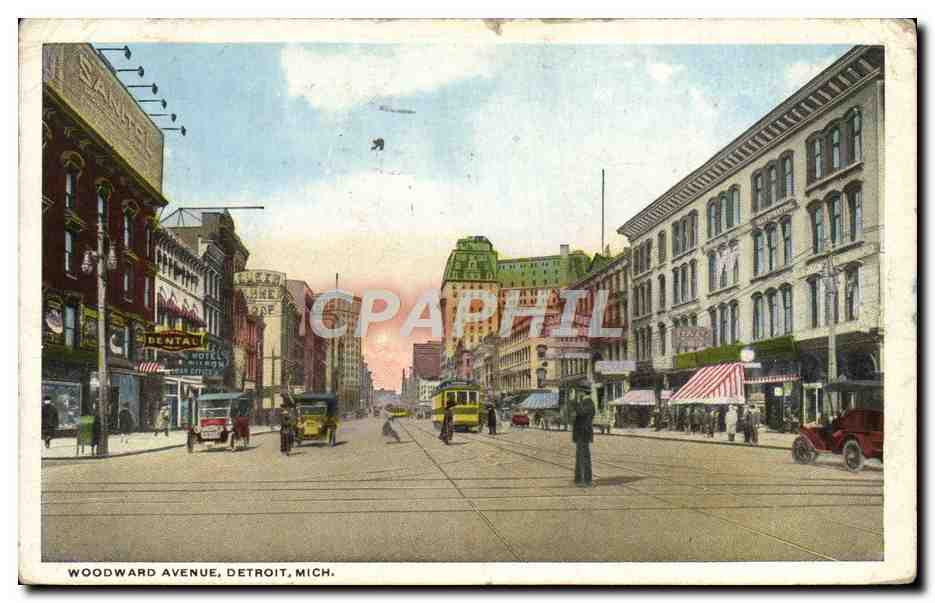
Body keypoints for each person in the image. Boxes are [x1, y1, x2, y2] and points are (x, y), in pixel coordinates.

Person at [573, 397, 595, 487]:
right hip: (580, 434)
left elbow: (581, 412)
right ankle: (579, 479)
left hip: (584, 433)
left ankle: (586, 480)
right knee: (580, 457)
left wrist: (575, 404)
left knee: (584, 457)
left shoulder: (588, 403)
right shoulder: (583, 403)